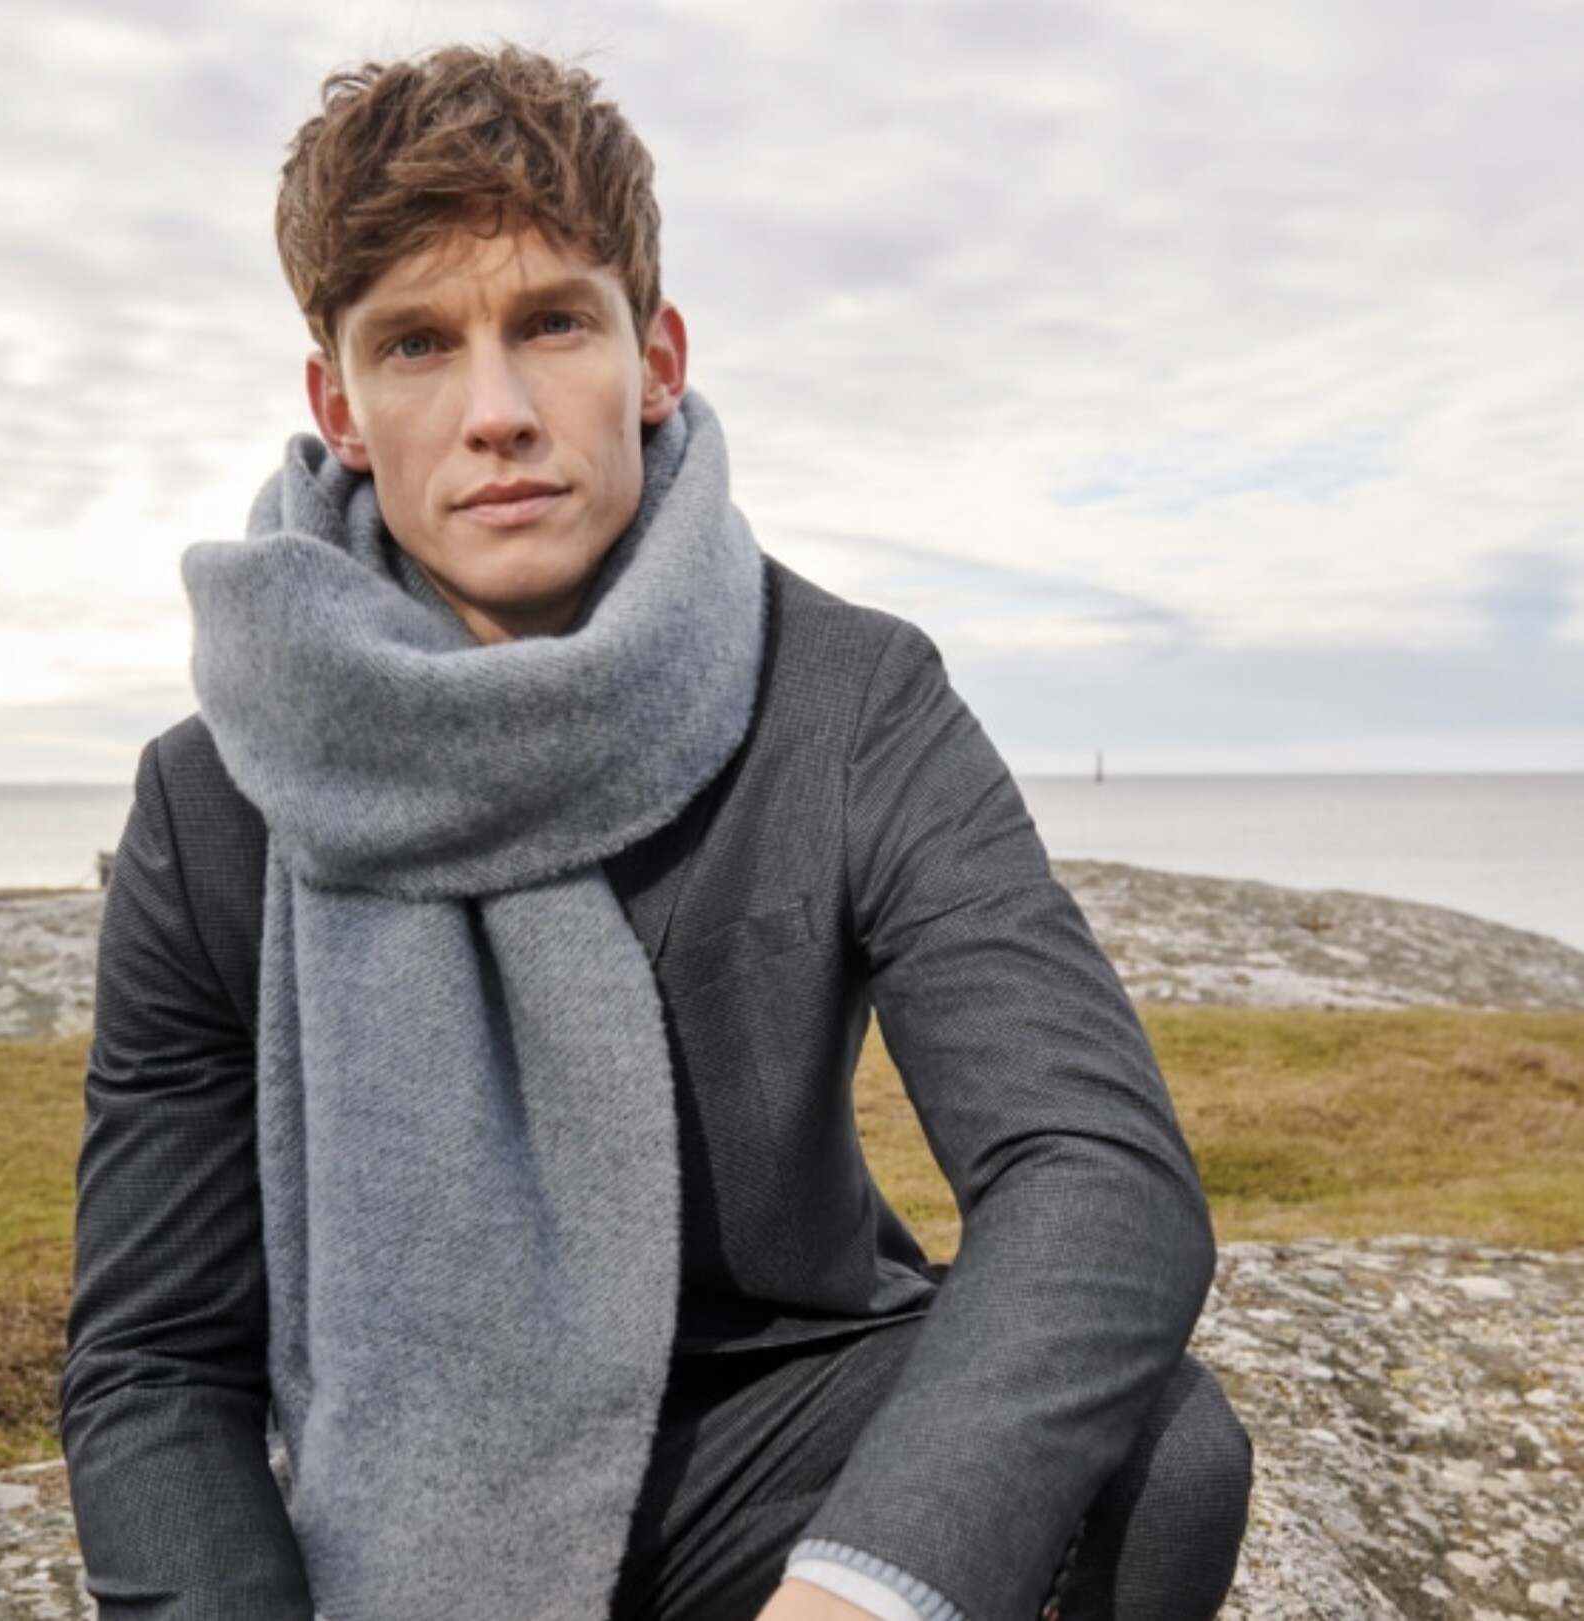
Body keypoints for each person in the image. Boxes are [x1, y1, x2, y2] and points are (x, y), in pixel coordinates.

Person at [61, 42, 1251, 1621]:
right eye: (416, 344)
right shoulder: (211, 803)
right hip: (410, 1482)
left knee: (1162, 1453)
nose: (495, 413)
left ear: (655, 359)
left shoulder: (848, 697)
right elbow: (155, 1362)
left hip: (776, 1433)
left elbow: (1092, 1170)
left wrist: (868, 1588)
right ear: (339, 406)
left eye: (553, 323)